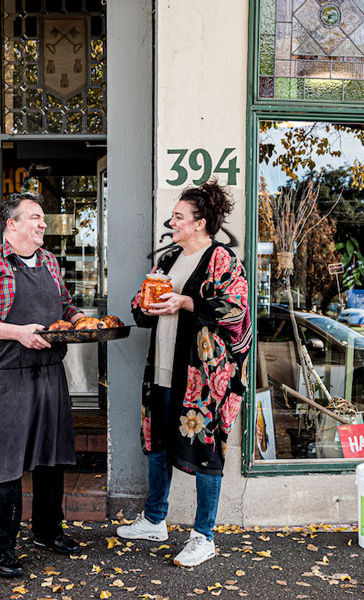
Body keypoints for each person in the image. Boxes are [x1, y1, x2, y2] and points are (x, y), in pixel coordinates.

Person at [117, 180, 252, 567]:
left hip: (204, 379)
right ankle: (155, 520)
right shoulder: (169, 260)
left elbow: (235, 309)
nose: (172, 222)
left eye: (178, 217)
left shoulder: (221, 259)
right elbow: (143, 308)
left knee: (206, 452)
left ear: (201, 222)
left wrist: (187, 301)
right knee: (157, 443)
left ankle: (203, 536)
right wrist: (145, 303)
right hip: (162, 370)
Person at [0, 192, 84, 578]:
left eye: (42, 217)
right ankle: (1, 547)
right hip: (10, 374)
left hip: (50, 371)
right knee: (6, 462)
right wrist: (17, 333)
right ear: (11, 225)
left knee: (53, 455)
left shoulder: (49, 262)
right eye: (34, 217)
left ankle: (48, 531)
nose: (43, 223)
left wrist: (83, 321)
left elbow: (63, 306)